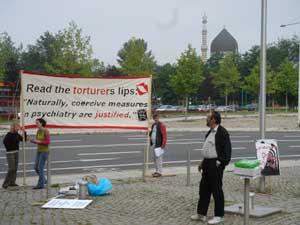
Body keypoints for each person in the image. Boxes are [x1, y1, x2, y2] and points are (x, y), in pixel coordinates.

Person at [191, 111, 232, 224]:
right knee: (203, 189)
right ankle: (201, 214)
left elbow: (227, 152)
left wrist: (220, 163)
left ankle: (219, 215)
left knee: (216, 190)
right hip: (207, 163)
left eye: (208, 117)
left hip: (216, 165)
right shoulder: (210, 132)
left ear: (214, 119)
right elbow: (209, 149)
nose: (206, 119)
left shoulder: (222, 132)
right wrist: (203, 162)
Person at [2, 122, 27, 189]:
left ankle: (12, 182)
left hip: (16, 152)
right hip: (10, 153)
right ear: (13, 127)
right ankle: (5, 184)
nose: (18, 128)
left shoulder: (17, 134)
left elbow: (23, 139)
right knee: (11, 168)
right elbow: (4, 142)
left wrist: (24, 132)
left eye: (18, 127)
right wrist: (10, 148)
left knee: (15, 168)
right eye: (17, 127)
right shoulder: (9, 134)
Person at [30, 118, 51, 189]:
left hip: (44, 151)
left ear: (41, 123)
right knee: (36, 167)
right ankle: (44, 180)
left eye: (37, 123)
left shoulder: (46, 131)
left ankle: (40, 184)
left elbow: (48, 142)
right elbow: (37, 140)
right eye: (36, 123)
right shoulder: (38, 131)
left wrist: (39, 142)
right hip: (39, 151)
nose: (36, 124)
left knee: (40, 168)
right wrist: (32, 140)